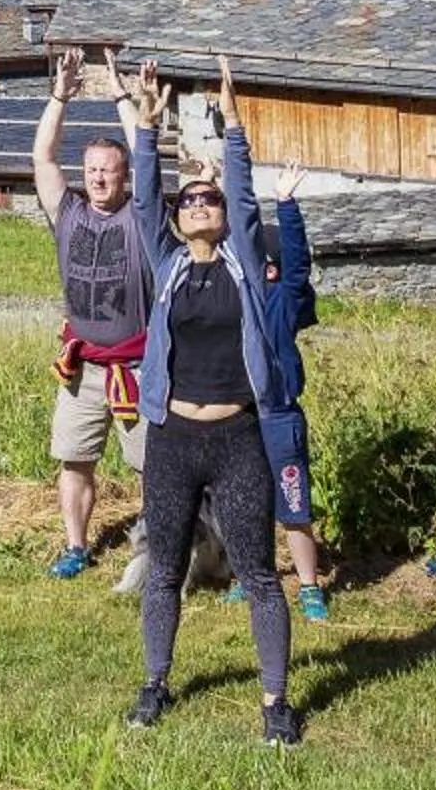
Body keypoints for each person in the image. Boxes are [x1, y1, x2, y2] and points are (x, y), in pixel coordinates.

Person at [120, 62, 301, 747]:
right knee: (165, 568)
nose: (198, 204)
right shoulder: (166, 267)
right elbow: (142, 204)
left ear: (223, 218)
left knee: (258, 570)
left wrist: (233, 128)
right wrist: (146, 127)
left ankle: (276, 701)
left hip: (236, 440)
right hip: (173, 439)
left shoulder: (243, 265)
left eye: (208, 200)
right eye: (189, 200)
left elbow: (248, 198)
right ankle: (155, 683)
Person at [29, 48, 152, 577]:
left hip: (141, 369)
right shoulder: (69, 211)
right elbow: (42, 159)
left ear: (125, 176)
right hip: (84, 369)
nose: (100, 178)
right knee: (74, 459)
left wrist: (123, 95)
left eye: (111, 170)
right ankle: (77, 546)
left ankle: (157, 550)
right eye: (94, 170)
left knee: (154, 468)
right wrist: (61, 96)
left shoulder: (141, 218)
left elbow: (147, 154)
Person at [240, 109, 329, 621]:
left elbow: (297, 263)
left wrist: (287, 205)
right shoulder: (242, 297)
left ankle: (310, 585)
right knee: (247, 503)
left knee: (293, 502)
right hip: (241, 414)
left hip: (279, 415)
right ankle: (253, 576)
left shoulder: (284, 299)